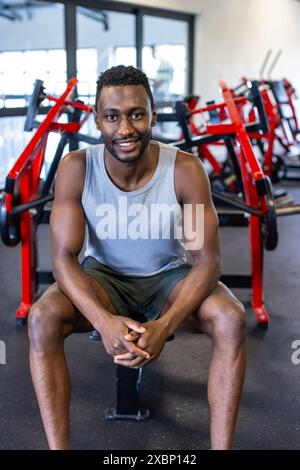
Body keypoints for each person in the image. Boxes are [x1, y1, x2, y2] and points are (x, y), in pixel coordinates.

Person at [28, 65, 246, 450]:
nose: (125, 128)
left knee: (230, 319)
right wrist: (103, 320)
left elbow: (207, 260)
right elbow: (63, 258)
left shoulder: (184, 169)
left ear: (152, 116)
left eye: (136, 114)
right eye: (112, 116)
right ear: (97, 120)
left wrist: (165, 324)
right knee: (42, 319)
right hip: (104, 279)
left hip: (168, 279)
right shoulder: (77, 168)